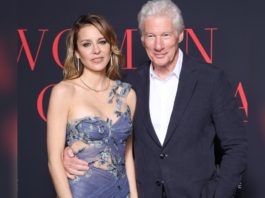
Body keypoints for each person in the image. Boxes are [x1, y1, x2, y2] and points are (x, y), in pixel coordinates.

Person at [63, 1, 247, 197]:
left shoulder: (210, 80)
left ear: (180, 35)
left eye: (165, 35)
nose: (158, 45)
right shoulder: (128, 86)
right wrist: (72, 153)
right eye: (151, 36)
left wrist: (219, 194)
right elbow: (110, 138)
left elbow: (236, 146)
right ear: (142, 39)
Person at [47, 14, 137, 198]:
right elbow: (54, 161)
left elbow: (127, 155)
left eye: (102, 42)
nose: (96, 50)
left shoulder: (127, 95)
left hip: (121, 191)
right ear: (77, 52)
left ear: (111, 46)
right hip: (82, 192)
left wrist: (134, 195)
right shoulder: (64, 91)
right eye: (87, 44)